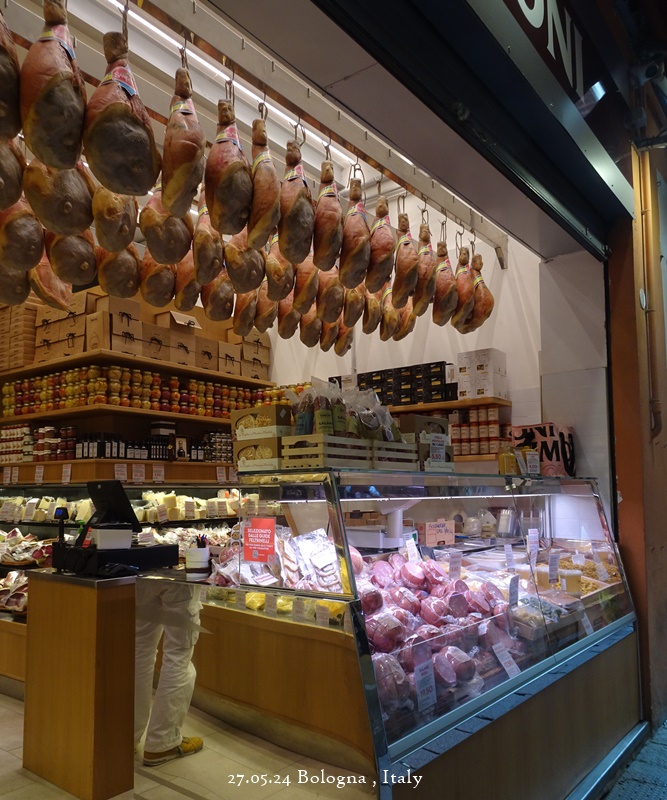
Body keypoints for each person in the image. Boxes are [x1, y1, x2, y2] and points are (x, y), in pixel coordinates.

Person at [134, 577, 204, 766]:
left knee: (140, 649)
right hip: (178, 577)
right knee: (178, 654)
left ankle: (128, 734)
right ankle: (162, 742)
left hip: (141, 571)